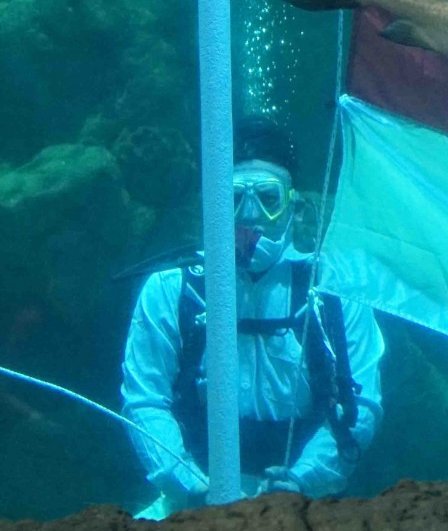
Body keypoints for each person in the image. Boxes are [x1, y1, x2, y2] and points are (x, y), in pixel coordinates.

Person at [120, 116, 385, 518]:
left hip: (305, 503)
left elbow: (361, 403)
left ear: (293, 208)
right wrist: (186, 482)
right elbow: (144, 398)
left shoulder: (334, 293)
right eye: (234, 199)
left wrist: (302, 480)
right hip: (191, 499)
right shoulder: (172, 290)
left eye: (268, 198)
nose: (250, 215)